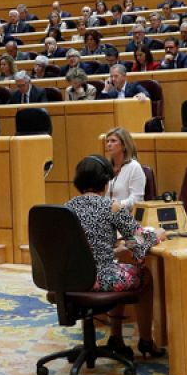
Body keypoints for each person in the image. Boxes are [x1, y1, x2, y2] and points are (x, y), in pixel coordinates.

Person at [64, 155, 165, 359]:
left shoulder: (66, 208)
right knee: (144, 276)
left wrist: (114, 251)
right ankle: (146, 341)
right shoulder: (111, 206)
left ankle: (116, 339)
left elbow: (81, 247)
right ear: (106, 181)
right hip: (99, 278)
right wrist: (157, 235)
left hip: (68, 279)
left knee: (119, 268)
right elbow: (138, 241)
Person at [103, 127, 147, 213]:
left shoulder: (134, 167)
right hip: (106, 214)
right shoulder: (105, 166)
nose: (109, 144)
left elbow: (136, 200)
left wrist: (116, 206)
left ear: (124, 146)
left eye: (113, 141)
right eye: (107, 141)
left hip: (126, 215)